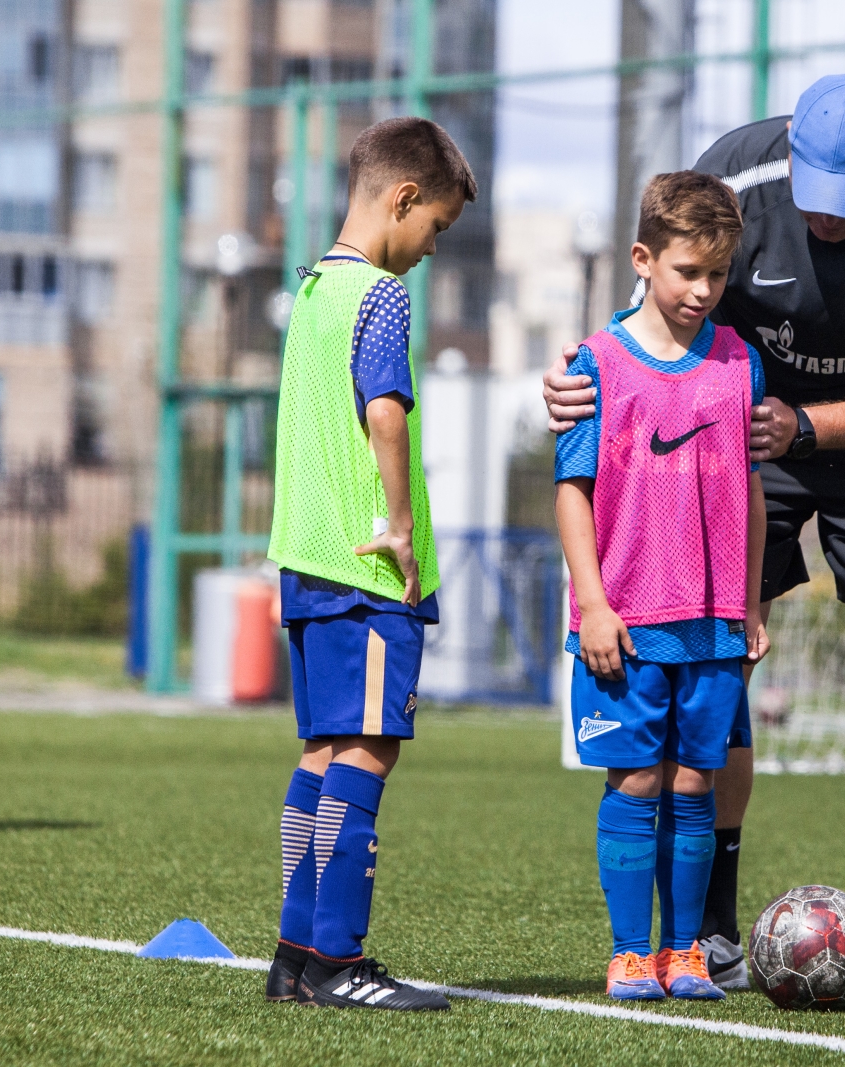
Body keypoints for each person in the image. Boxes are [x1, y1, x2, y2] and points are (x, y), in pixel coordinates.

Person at [545, 74, 845, 1001]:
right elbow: (656, 322)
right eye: (811, 196)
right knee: (724, 655)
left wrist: (806, 424)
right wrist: (583, 385)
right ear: (788, 154)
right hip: (743, 431)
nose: (825, 222)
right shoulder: (733, 180)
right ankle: (707, 928)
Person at [262, 116, 475, 1012]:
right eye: (438, 228)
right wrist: (399, 527)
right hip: (365, 566)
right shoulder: (379, 297)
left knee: (321, 751)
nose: (432, 250)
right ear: (404, 198)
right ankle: (338, 962)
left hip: (306, 563)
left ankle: (295, 953)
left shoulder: (311, 290)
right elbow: (385, 413)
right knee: (369, 750)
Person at [556, 171, 770, 1001]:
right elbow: (572, 491)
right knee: (635, 780)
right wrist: (595, 605)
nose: (704, 290)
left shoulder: (737, 364)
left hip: (713, 624)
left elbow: (750, 489)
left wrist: (749, 601)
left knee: (694, 783)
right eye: (688, 271)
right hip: (628, 621)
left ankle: (683, 952)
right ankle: (625, 952)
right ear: (644, 259)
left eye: (718, 274)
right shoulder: (598, 365)